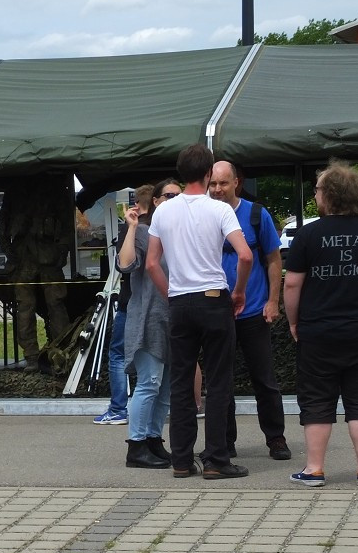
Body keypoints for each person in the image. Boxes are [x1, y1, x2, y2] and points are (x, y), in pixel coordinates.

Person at [283, 162, 358, 487]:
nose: (316, 194)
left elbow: (292, 285)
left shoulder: (307, 235)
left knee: (317, 398)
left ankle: (314, 469)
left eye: (318, 189)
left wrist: (294, 322)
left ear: (328, 195)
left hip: (318, 331)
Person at [146, 144, 252, 480]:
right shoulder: (219, 209)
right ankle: (217, 459)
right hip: (213, 298)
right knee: (218, 381)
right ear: (209, 174)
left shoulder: (163, 211)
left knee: (180, 381)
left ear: (181, 173)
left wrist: (171, 295)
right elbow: (246, 256)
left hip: (180, 302)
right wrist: (238, 292)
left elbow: (151, 263)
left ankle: (180, 459)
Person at [207, 161, 291, 461]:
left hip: (253, 311)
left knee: (265, 380)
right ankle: (224, 443)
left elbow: (273, 259)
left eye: (223, 184)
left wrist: (273, 301)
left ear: (236, 183)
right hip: (216, 311)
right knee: (220, 382)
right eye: (213, 184)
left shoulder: (256, 215)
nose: (217, 190)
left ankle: (276, 438)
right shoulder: (204, 215)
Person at [118, 179, 181, 467]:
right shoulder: (144, 232)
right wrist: (131, 227)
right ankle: (136, 445)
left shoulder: (179, 233)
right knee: (150, 382)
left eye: (179, 196)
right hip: (147, 318)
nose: (174, 200)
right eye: (168, 195)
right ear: (155, 201)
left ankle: (154, 439)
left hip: (172, 319)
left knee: (165, 387)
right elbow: (125, 264)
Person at [0, 175, 73, 372]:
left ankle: (60, 353)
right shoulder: (16, 188)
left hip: (49, 255)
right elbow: (3, 220)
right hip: (23, 257)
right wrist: (6, 246)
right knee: (25, 307)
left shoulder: (55, 186)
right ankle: (31, 356)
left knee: (55, 304)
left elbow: (66, 221)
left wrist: (63, 249)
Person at [93, 184, 153, 425]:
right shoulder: (164, 229)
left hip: (131, 301)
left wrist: (130, 227)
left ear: (136, 204)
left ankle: (119, 407)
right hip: (159, 302)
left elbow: (123, 265)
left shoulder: (133, 230)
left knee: (118, 353)